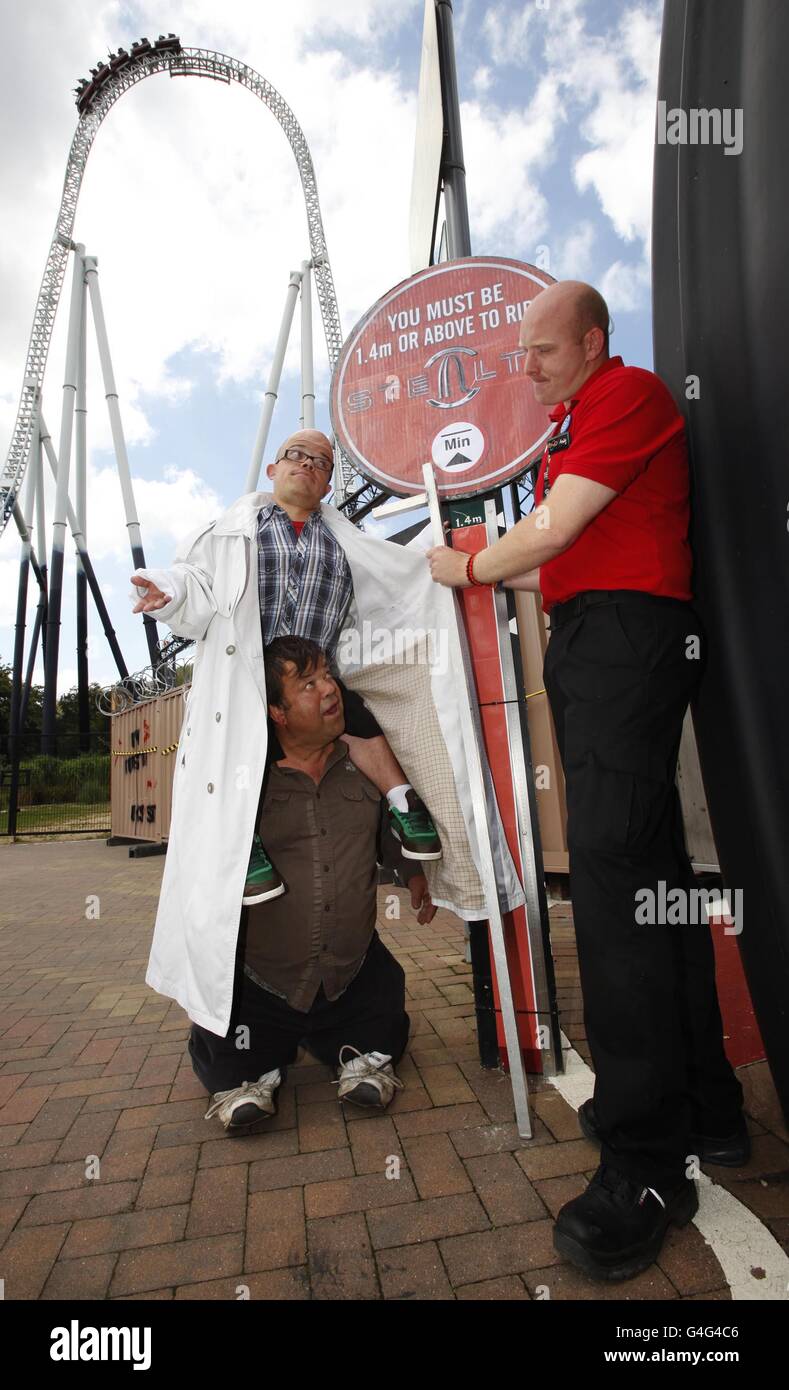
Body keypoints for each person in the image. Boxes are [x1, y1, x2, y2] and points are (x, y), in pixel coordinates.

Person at [426, 279, 746, 1283]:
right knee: (652, 881)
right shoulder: (573, 426)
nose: (525, 365)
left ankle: (647, 1166)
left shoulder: (625, 395)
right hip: (596, 638)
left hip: (625, 640)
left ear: (594, 342)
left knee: (611, 888)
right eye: (521, 352)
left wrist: (468, 567)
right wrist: (474, 561)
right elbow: (547, 560)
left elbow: (550, 535)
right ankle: (704, 1106)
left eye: (543, 348)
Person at [131, 428, 441, 909]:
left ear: (327, 486)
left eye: (321, 461)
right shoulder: (231, 534)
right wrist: (168, 591)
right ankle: (244, 847)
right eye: (296, 455)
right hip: (250, 677)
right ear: (273, 470)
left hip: (316, 671)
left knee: (358, 719)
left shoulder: (347, 542)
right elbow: (196, 580)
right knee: (240, 751)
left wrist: (444, 557)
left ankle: (404, 804)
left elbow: (393, 580)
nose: (308, 464)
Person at [190, 635, 435, 1132]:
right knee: (230, 1052)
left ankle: (359, 1055)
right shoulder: (243, 782)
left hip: (350, 976)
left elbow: (385, 835)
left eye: (327, 675)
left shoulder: (364, 764)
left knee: (384, 1013)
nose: (329, 688)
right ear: (277, 713)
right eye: (308, 683)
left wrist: (413, 873)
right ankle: (248, 1074)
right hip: (263, 983)